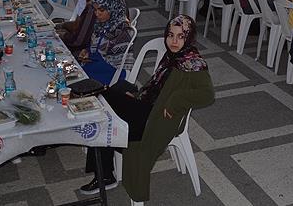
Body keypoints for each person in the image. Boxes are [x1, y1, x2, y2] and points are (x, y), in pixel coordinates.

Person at [81, 15, 213, 200]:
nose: (174, 41)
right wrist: (137, 96)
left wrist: (176, 99)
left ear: (189, 37)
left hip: (155, 118)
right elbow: (155, 87)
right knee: (109, 100)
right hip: (147, 106)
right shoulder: (171, 57)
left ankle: (105, 174)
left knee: (105, 99)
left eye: (180, 36)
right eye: (170, 35)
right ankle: (104, 173)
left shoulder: (194, 63)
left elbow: (207, 95)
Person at [78, 0, 134, 85]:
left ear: (112, 7)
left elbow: (117, 64)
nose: (97, 14)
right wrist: (86, 51)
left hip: (110, 75)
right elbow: (96, 47)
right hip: (97, 66)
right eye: (95, 10)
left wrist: (86, 64)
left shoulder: (123, 30)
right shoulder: (102, 24)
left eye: (101, 10)